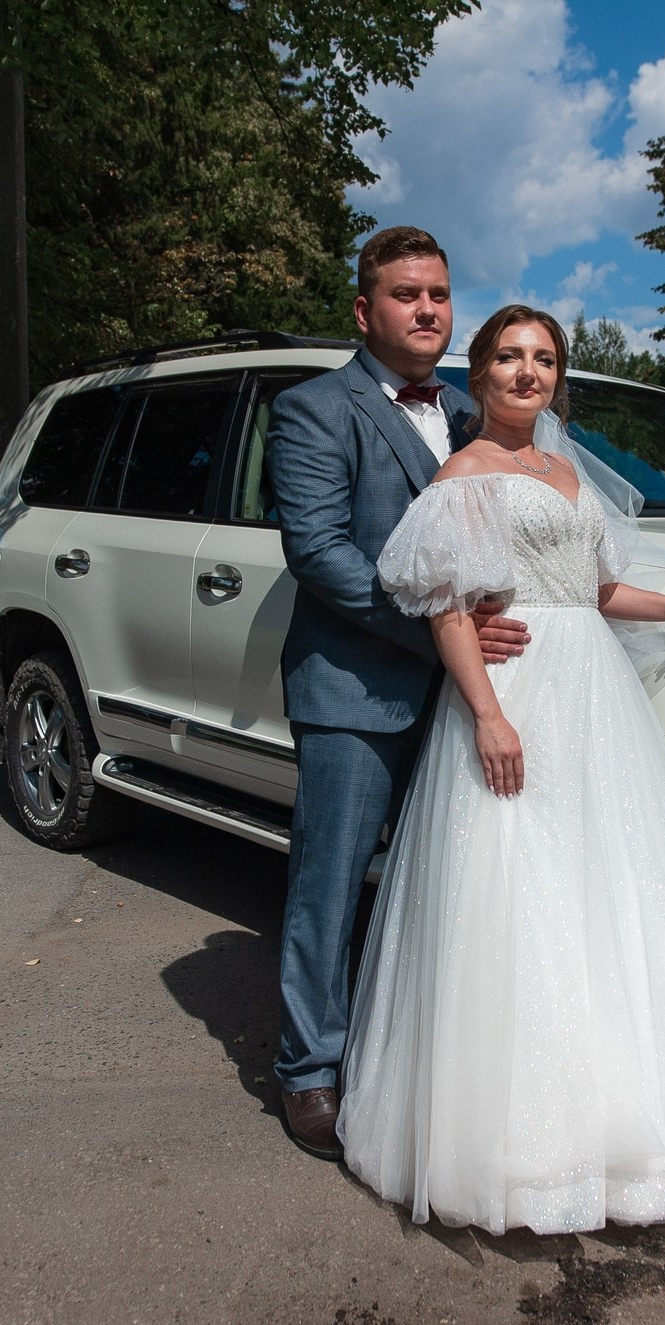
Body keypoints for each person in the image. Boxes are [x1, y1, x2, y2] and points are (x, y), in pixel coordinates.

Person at [335, 305, 665, 1235]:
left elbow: (594, 593)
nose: (527, 373)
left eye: (543, 359)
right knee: (518, 887)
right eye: (508, 357)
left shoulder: (566, 469)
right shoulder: (464, 474)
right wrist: (488, 713)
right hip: (521, 689)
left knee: (609, 886)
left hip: (595, 693)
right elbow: (447, 608)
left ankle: (637, 1113)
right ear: (478, 375)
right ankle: (524, 1145)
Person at [265, 227, 531, 1160]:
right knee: (329, 887)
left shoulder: (470, 412)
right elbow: (321, 553)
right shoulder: (312, 408)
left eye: (440, 295)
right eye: (407, 294)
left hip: (464, 692)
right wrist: (437, 631)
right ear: (364, 309)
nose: (427, 310)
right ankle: (308, 1070)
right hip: (354, 688)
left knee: (444, 881)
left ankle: (413, 1057)